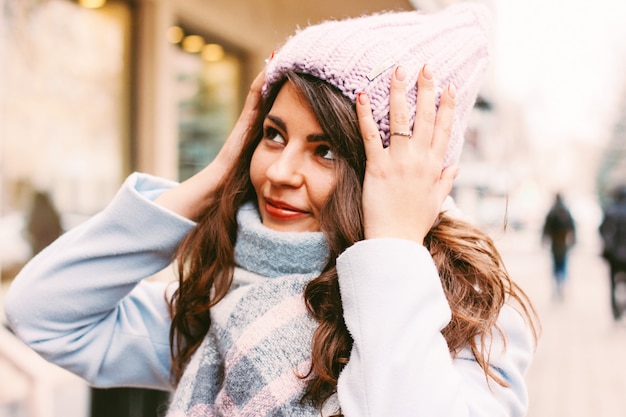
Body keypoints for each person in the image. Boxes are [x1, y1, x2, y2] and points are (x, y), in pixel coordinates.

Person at [5, 4, 539, 417]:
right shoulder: (220, 298)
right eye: (273, 135)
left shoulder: (469, 320)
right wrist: (211, 181)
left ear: (398, 172)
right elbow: (42, 314)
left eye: (325, 150)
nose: (280, 172)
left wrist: (394, 249)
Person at [542, 192, 576, 301]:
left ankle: (557, 285)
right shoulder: (566, 211)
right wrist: (573, 241)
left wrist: (543, 240)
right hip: (564, 243)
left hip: (554, 243)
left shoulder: (552, 212)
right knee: (563, 265)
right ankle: (562, 282)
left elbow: (545, 228)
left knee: (555, 266)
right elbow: (572, 227)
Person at [599, 185, 626, 321]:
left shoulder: (610, 210)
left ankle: (615, 311)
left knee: (612, 284)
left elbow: (602, 230)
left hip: (614, 256)